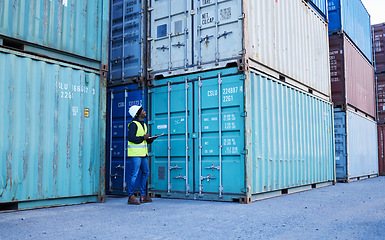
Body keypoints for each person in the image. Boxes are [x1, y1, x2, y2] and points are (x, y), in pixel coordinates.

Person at [126, 105, 157, 205]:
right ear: (138, 113)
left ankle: (143, 195)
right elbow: (131, 138)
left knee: (146, 172)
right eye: (142, 110)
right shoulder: (133, 124)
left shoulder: (143, 124)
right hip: (135, 154)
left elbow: (143, 140)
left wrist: (149, 140)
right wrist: (143, 138)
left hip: (143, 153)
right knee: (134, 175)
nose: (144, 111)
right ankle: (131, 196)